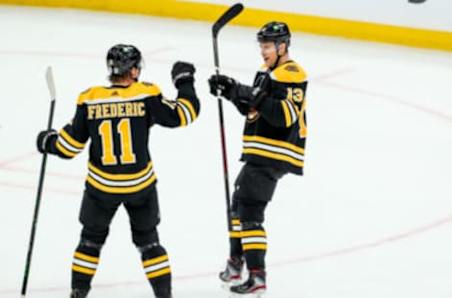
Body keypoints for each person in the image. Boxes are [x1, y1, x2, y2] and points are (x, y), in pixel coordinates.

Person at [36, 44, 200, 298]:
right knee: (149, 242)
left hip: (101, 188)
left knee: (90, 240)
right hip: (141, 187)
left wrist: (48, 142)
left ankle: (78, 293)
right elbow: (185, 114)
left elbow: (69, 147)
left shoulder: (90, 98)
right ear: (133, 71)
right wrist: (184, 83)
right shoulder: (146, 94)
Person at [208, 21, 308, 295]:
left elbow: (284, 116)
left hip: (275, 152)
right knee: (238, 205)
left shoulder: (292, 73)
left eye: (267, 46)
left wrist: (243, 91)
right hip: (260, 151)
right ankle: (236, 263)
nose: (262, 51)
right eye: (261, 45)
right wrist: (229, 91)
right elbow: (253, 109)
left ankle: (256, 276)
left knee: (250, 212)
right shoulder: (265, 73)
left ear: (282, 46)